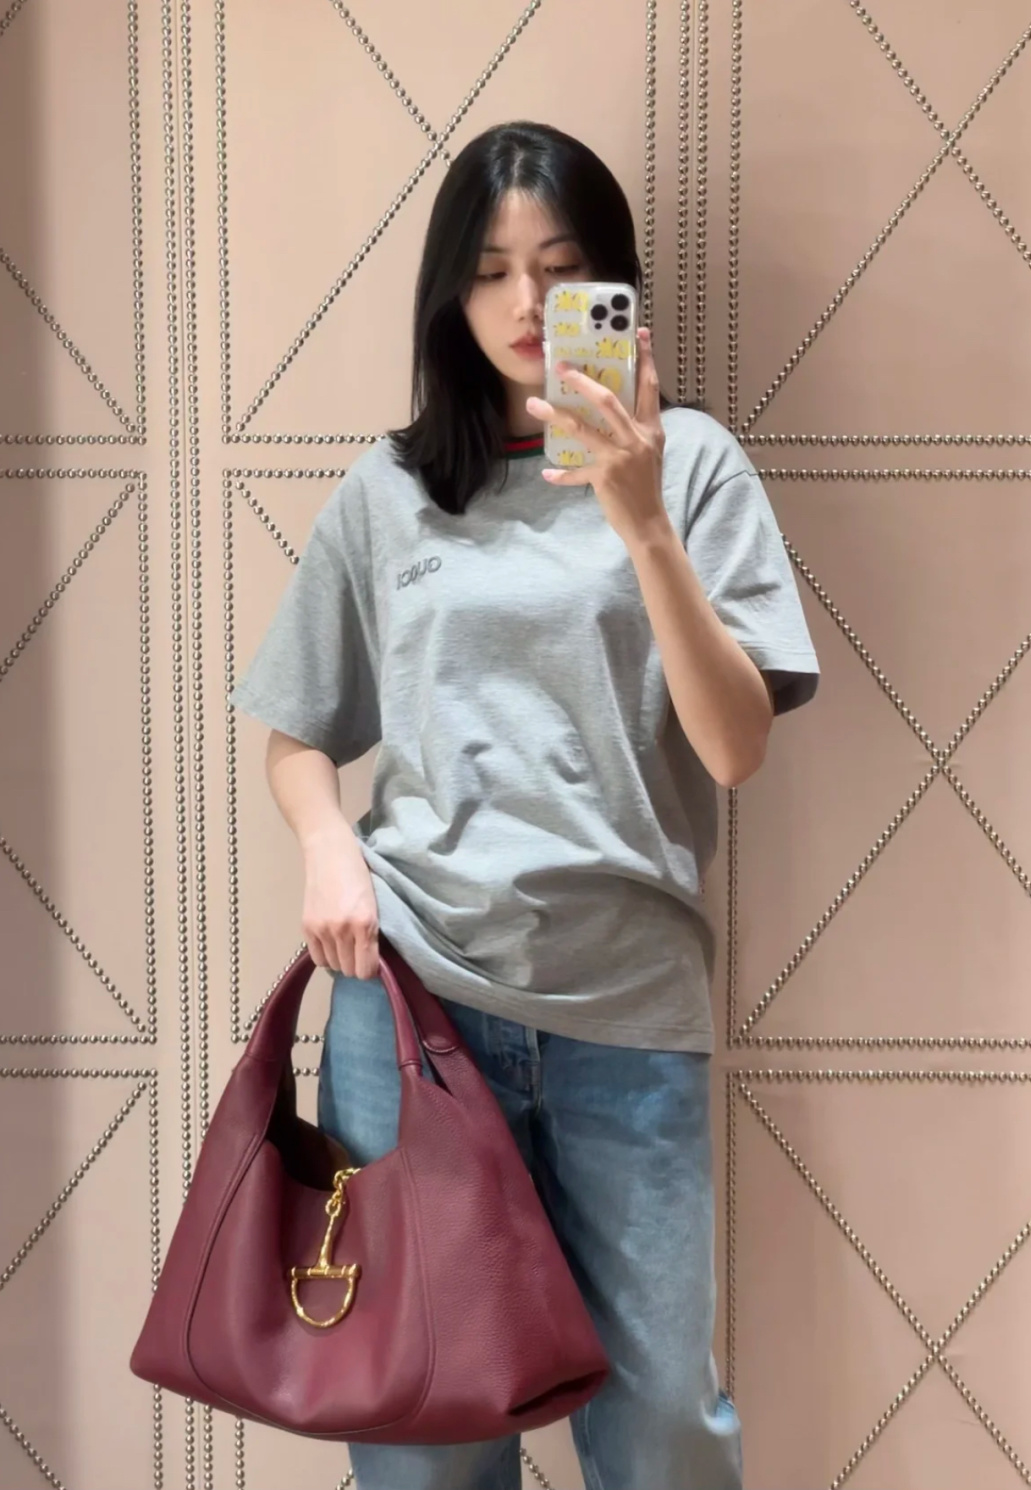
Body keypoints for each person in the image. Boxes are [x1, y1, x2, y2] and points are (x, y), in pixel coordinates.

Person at [229, 119, 819, 1490]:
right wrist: (328, 849)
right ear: (450, 289)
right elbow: (296, 732)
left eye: (559, 270)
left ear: (611, 285)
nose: (522, 301)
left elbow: (736, 748)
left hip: (629, 1010)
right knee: (428, 1431)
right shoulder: (391, 490)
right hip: (415, 1009)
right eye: (491, 270)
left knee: (663, 1427)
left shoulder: (696, 468)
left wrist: (642, 516)